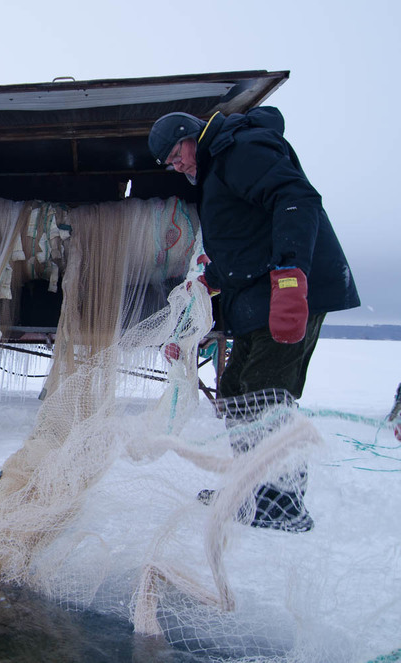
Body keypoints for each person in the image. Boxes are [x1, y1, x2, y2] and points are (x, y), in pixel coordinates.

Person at [148, 107, 361, 532]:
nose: (178, 165)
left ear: (193, 135)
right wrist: (211, 280)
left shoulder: (239, 150)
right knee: (234, 390)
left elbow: (295, 199)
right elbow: (245, 241)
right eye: (171, 163)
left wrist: (290, 274)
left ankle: (284, 502)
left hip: (290, 292)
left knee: (266, 392)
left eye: (177, 154)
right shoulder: (216, 171)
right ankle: (250, 487)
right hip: (256, 299)